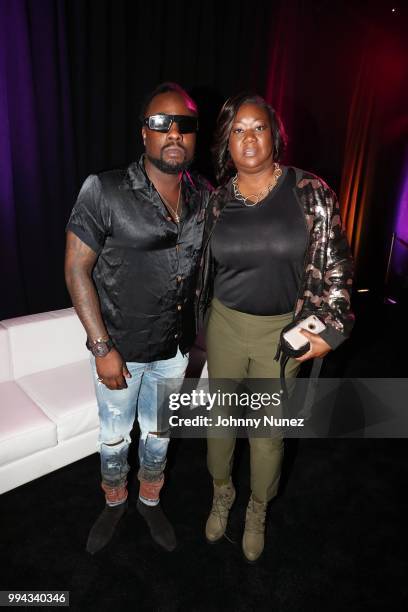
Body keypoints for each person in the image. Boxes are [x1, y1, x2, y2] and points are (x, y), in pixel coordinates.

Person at [196, 92, 354, 562]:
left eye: (258, 127)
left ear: (274, 135)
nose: (248, 137)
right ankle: (222, 492)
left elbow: (339, 269)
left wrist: (330, 330)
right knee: (220, 423)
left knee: (266, 434)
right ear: (227, 141)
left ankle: (257, 508)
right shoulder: (218, 200)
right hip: (225, 324)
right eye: (238, 129)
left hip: (282, 333)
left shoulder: (310, 192)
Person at [65, 82, 210, 554]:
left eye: (183, 124)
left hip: (174, 349)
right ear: (143, 134)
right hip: (119, 352)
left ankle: (149, 498)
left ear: (194, 135)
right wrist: (102, 348)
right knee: (112, 437)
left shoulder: (205, 195)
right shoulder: (103, 189)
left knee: (159, 431)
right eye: (160, 123)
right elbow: (76, 268)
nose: (173, 133)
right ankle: (113, 500)